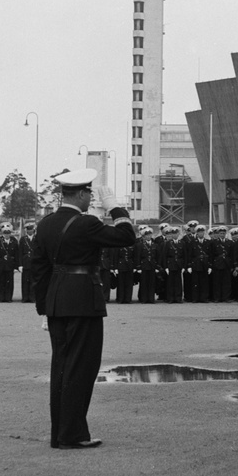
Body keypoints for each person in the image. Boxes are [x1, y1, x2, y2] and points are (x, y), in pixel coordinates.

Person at [31, 168, 136, 449]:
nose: (91, 197)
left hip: (56, 303)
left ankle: (61, 433)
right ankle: (72, 434)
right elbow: (127, 236)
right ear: (79, 194)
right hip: (83, 302)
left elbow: (39, 271)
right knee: (82, 368)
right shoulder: (86, 224)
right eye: (89, 193)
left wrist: (44, 309)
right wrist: (114, 206)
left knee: (62, 368)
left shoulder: (46, 224)